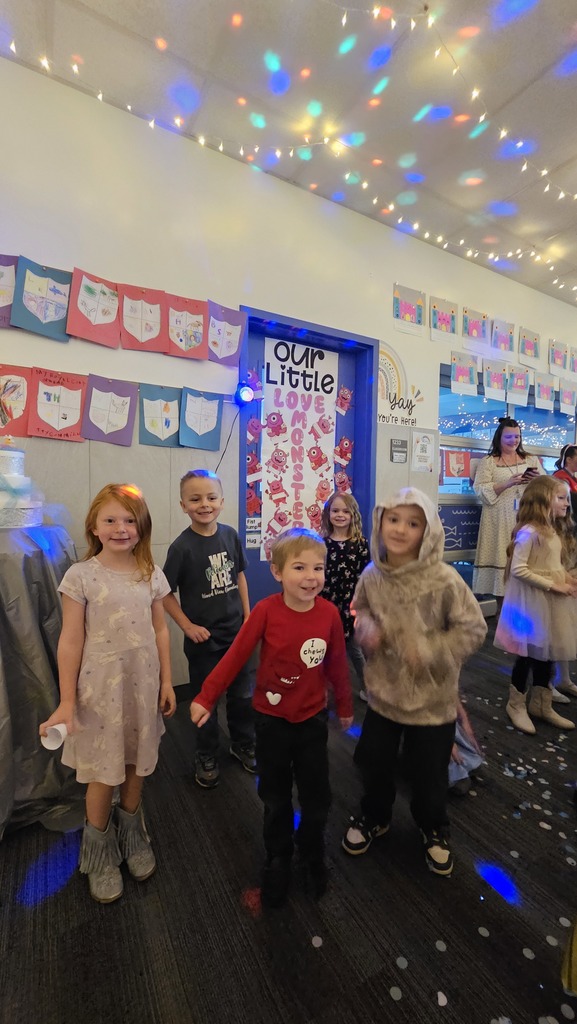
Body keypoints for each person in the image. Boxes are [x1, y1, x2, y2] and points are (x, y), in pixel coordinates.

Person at [190, 527, 353, 907]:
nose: (311, 577)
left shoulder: (329, 614)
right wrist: (207, 696)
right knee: (275, 796)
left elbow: (337, 664)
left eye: (318, 568)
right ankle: (278, 856)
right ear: (278, 572)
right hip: (270, 721)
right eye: (299, 568)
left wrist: (345, 705)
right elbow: (235, 656)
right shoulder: (265, 611)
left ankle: (311, 850)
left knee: (317, 795)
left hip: (312, 721)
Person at [39, 484, 176, 904]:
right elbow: (70, 640)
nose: (121, 528)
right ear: (94, 527)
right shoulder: (80, 576)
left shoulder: (150, 572)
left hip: (143, 686)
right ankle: (99, 849)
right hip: (99, 692)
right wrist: (66, 701)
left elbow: (160, 629)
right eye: (111, 520)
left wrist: (167, 681)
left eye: (130, 520)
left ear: (142, 527)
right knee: (102, 773)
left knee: (136, 763)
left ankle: (132, 831)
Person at [342, 488, 487, 876]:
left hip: (432, 701)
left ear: (428, 530)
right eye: (393, 519)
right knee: (374, 762)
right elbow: (361, 609)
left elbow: (473, 629)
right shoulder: (372, 576)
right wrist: (366, 629)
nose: (400, 529)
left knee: (429, 773)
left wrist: (431, 650)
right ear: (380, 522)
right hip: (384, 695)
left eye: (412, 523)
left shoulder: (445, 580)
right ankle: (375, 816)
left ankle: (433, 827)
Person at [163, 469, 255, 789]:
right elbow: (164, 593)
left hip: (237, 636)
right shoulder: (181, 548)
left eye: (211, 497)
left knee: (242, 696)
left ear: (222, 501)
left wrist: (248, 616)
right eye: (195, 499)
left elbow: (239, 575)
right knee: (207, 702)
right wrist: (187, 626)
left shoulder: (230, 535)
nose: (204, 504)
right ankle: (206, 754)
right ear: (183, 505)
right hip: (204, 642)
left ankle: (243, 743)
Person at [495, 475, 577, 734]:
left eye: (567, 499)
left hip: (550, 604)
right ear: (543, 500)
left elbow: (552, 567)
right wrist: (554, 585)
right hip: (531, 604)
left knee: (547, 653)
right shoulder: (529, 533)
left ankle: (542, 704)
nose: (567, 503)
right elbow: (519, 569)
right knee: (528, 655)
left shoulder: (553, 532)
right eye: (561, 498)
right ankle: (516, 704)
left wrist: (568, 580)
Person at [473, 417, 544, 601]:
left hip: (525, 517)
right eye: (509, 437)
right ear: (499, 438)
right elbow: (480, 489)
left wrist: (535, 480)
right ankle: (500, 611)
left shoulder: (530, 459)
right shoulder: (489, 461)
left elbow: (546, 486)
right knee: (502, 560)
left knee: (525, 561)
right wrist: (507, 483)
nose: (514, 441)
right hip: (498, 519)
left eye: (517, 436)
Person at [320, 492, 371, 701]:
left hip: (351, 605)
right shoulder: (321, 543)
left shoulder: (360, 544)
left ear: (353, 515)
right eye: (335, 510)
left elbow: (366, 576)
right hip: (326, 603)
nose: (340, 515)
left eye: (345, 511)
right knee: (323, 648)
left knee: (354, 649)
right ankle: (319, 689)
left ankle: (369, 689)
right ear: (328, 513)